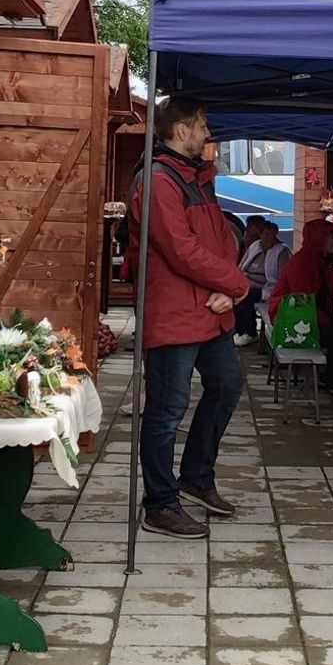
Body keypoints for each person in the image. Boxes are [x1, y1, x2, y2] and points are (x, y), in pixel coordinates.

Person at [127, 97, 248, 539]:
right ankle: (160, 504)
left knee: (227, 384)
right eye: (201, 125)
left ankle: (195, 478)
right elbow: (181, 250)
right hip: (174, 311)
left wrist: (226, 288)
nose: (207, 133)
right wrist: (235, 283)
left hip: (208, 307)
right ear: (182, 130)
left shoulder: (194, 175)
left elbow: (221, 237)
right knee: (166, 409)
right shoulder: (159, 180)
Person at [268, 218, 333, 397]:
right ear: (318, 238)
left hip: (307, 316)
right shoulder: (303, 264)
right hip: (290, 320)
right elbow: (304, 303)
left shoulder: (319, 260)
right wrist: (328, 322)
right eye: (331, 238)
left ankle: (331, 375)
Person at [233, 218, 291, 346]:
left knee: (245, 297)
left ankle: (250, 332)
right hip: (246, 282)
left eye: (272, 235)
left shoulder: (281, 251)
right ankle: (239, 330)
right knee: (232, 292)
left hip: (266, 287)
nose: (269, 238)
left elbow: (281, 277)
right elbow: (242, 265)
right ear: (260, 234)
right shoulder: (255, 246)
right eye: (266, 234)